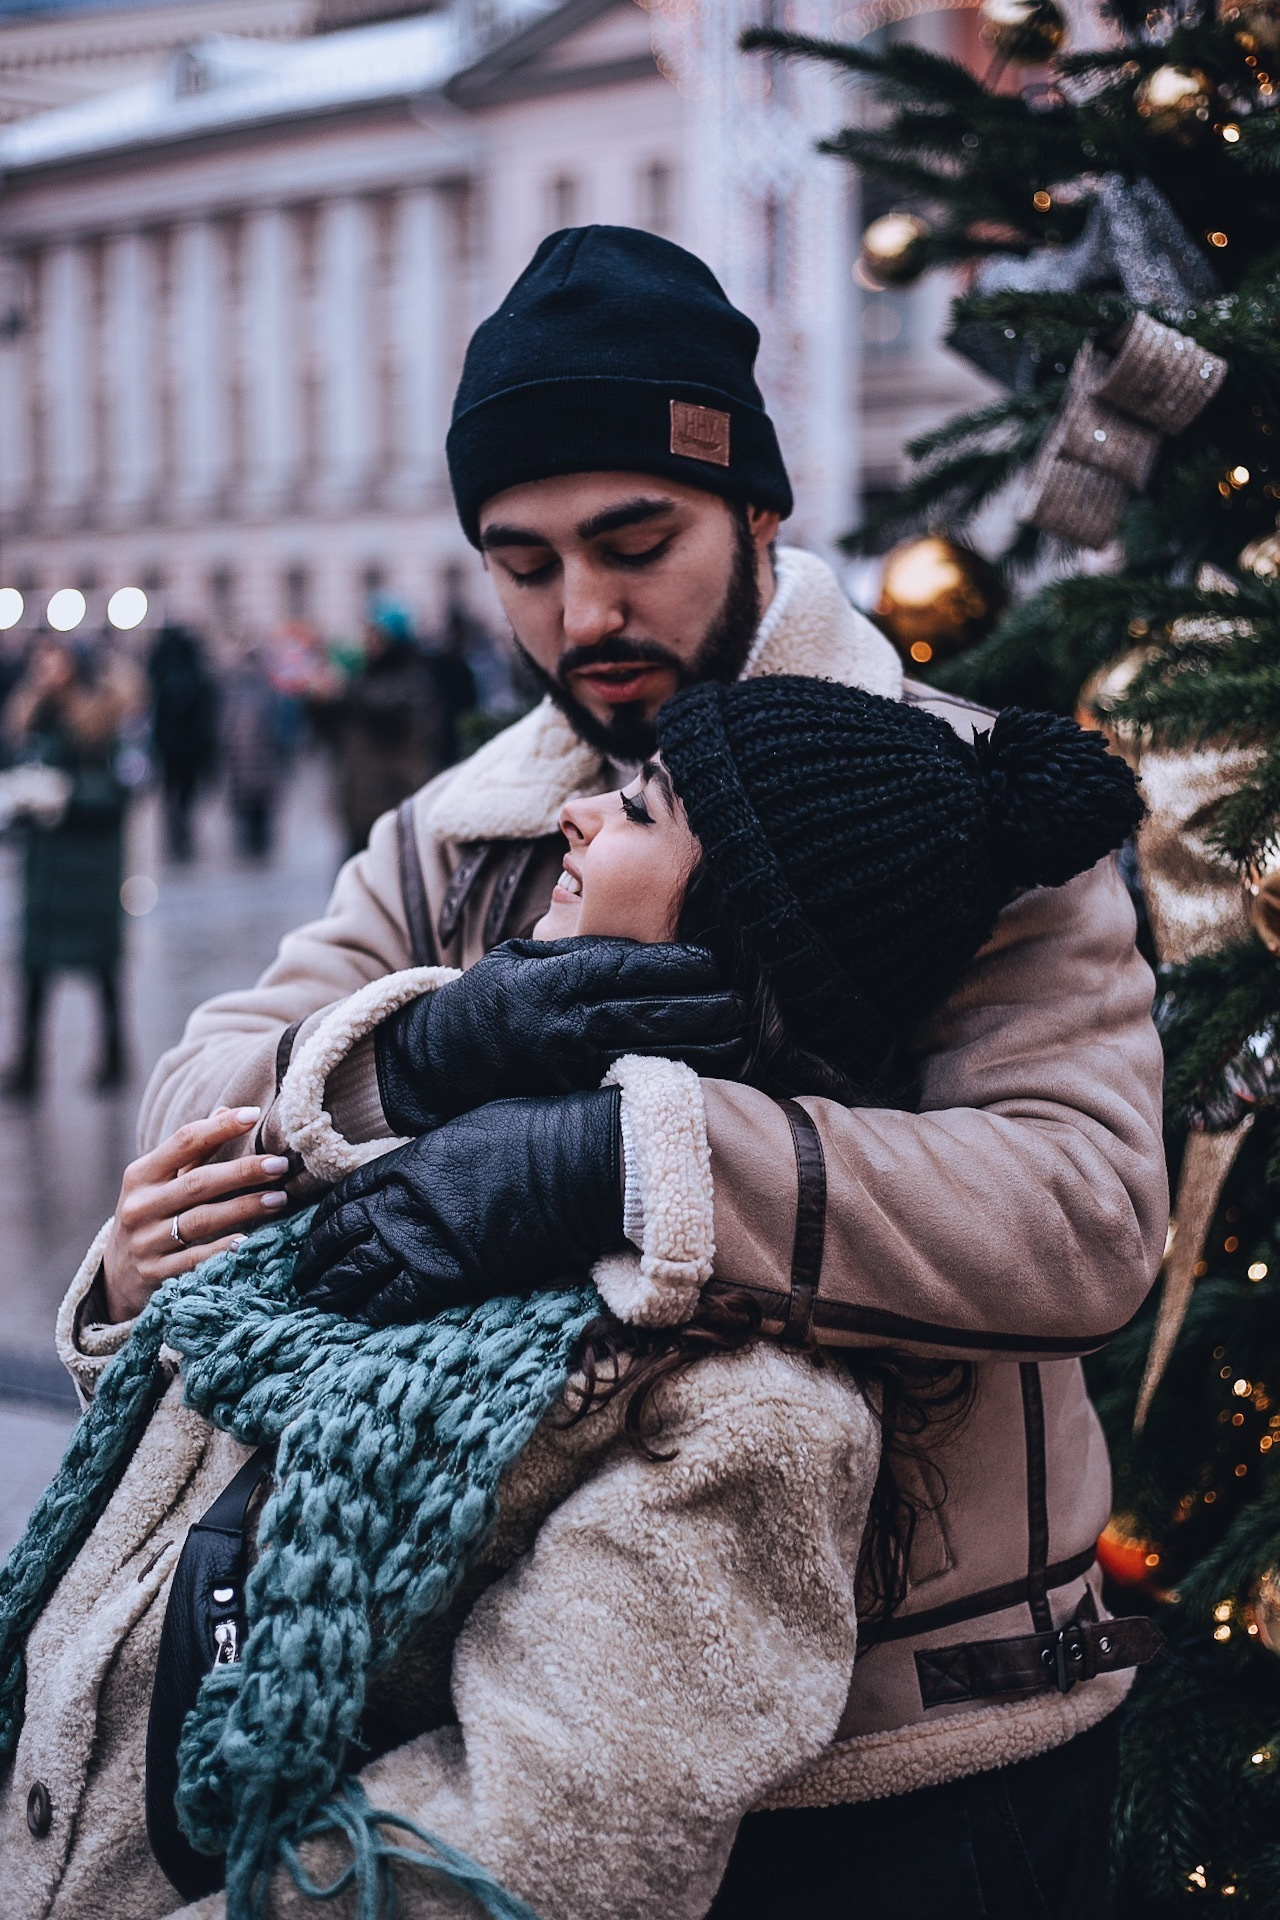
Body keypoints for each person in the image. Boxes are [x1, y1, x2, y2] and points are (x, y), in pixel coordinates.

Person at [129, 226, 1167, 1907]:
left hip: (928, 1756)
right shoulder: (457, 827)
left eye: (636, 542)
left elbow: (1081, 1213)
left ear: (761, 511)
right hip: (523, 1724)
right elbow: (199, 1099)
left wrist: (624, 1158)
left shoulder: (963, 810)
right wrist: (426, 1054)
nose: (584, 614)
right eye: (523, 564)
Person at [2, 676, 1147, 1920]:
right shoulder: (460, 1151)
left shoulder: (740, 1397)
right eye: (521, 560)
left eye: (643, 814)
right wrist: (137, 1283)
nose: (577, 815)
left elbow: (529, 1849)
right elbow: (196, 1474)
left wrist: (608, 1157)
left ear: (738, 934)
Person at [1, 634, 136, 1094]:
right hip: (46, 868)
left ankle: (115, 1055)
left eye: (55, 659)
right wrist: (19, 796)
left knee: (102, 968)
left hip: (91, 865)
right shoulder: (31, 717)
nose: (47, 668)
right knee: (34, 966)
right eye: (41, 658)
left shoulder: (101, 721)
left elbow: (119, 792)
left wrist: (68, 795)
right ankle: (27, 1064)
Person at [310, 598, 449, 859]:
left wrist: (341, 692)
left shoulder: (412, 676)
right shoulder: (364, 674)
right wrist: (317, 703)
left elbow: (387, 709)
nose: (368, 639)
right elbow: (334, 731)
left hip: (393, 803)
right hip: (358, 803)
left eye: (374, 633)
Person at [147, 626, 219, 863]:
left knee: (172, 790)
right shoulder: (195, 673)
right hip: (188, 746)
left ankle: (176, 829)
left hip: (171, 746)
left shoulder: (162, 673)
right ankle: (181, 828)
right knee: (185, 791)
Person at [220, 646, 289, 859]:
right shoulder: (267, 687)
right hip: (263, 757)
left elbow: (225, 724)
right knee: (261, 803)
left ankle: (250, 839)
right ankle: (259, 840)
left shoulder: (234, 688)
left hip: (242, 757)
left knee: (246, 802)